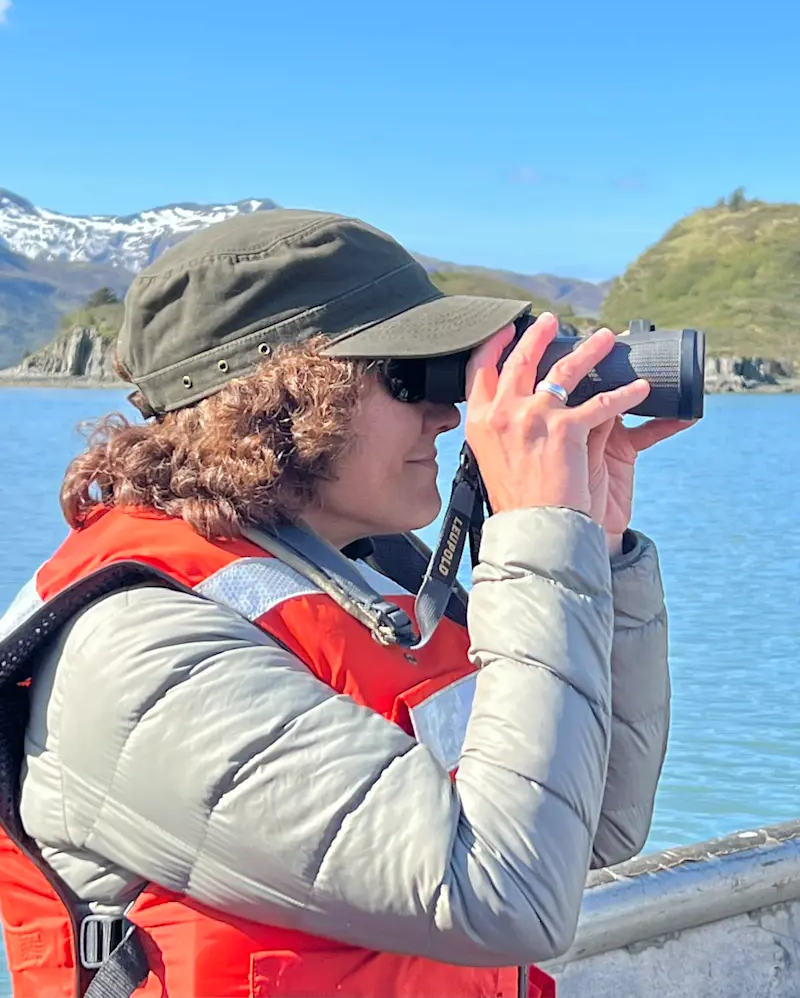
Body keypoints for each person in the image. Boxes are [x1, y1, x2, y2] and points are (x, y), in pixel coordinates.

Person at [0, 208, 686, 998]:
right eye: (408, 375)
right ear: (277, 404)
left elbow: (597, 827)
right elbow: (507, 893)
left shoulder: (365, 579)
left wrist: (594, 550)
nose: (448, 414)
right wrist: (538, 540)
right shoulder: (141, 648)